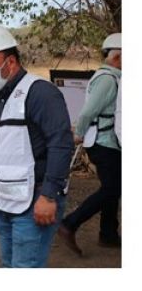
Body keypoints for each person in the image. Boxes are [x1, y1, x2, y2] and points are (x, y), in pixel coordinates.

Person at [0, 25, 73, 268]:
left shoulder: (41, 93)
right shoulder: (2, 96)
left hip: (35, 200)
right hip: (7, 202)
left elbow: (61, 144)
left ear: (11, 61)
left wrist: (48, 195)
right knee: (8, 266)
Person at [58, 32, 122, 255]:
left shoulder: (113, 77)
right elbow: (88, 112)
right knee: (113, 188)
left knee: (112, 188)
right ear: (118, 57)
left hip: (108, 142)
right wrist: (79, 133)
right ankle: (70, 224)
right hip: (104, 143)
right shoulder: (107, 79)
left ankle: (108, 234)